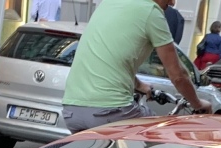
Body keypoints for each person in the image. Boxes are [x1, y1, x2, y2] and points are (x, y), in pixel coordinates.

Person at [62, 0, 210, 133]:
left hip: (72, 110)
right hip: (109, 111)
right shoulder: (151, 12)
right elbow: (178, 76)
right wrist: (197, 103)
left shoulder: (108, 3)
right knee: (161, 136)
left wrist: (141, 86)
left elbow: (115, 60)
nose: (172, 3)